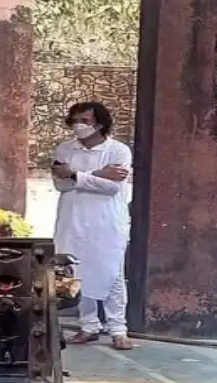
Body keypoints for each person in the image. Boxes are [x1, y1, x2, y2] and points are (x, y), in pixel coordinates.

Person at [51, 102, 134, 350]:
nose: (80, 125)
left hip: (106, 220)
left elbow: (111, 188)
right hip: (72, 218)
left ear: (100, 124)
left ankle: (118, 328)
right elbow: (60, 185)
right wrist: (97, 174)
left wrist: (74, 175)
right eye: (76, 119)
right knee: (75, 272)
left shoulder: (118, 151)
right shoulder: (65, 149)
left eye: (85, 120)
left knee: (112, 273)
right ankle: (89, 326)